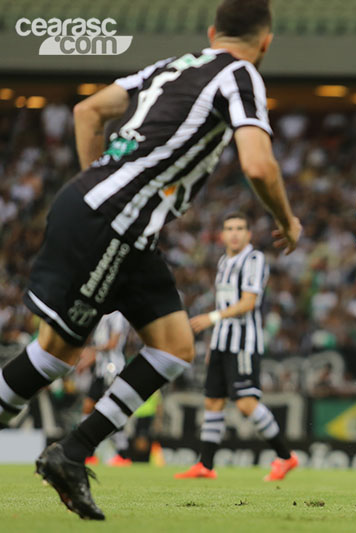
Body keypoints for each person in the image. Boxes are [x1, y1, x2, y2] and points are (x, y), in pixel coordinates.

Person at [0, 0, 301, 520]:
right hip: (110, 222)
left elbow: (87, 110)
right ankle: (72, 454)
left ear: (212, 32)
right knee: (55, 354)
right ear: (266, 41)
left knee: (174, 345)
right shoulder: (241, 74)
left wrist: (99, 178)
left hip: (124, 225)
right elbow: (257, 161)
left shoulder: (173, 66)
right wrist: (286, 219)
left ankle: (72, 454)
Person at [175, 212, 297, 481]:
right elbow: (225, 303)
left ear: (248, 234)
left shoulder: (254, 259)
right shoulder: (223, 261)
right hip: (221, 342)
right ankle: (205, 465)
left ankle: (286, 457)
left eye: (240, 228)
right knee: (213, 401)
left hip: (244, 342)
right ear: (222, 234)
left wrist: (211, 318)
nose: (234, 233)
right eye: (229, 228)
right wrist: (213, 343)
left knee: (245, 403)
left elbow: (248, 302)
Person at [77, 311, 132, 466]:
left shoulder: (118, 316)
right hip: (101, 370)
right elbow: (101, 349)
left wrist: (91, 350)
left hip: (113, 370)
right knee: (88, 407)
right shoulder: (101, 317)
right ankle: (88, 452)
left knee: (113, 409)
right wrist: (86, 362)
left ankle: (122, 453)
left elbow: (113, 343)